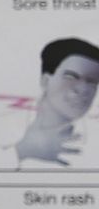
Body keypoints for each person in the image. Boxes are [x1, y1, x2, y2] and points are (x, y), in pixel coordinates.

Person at [14, 38, 99, 168]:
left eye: (92, 82)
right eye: (70, 77)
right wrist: (20, 152)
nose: (83, 90)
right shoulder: (0, 127)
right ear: (45, 81)